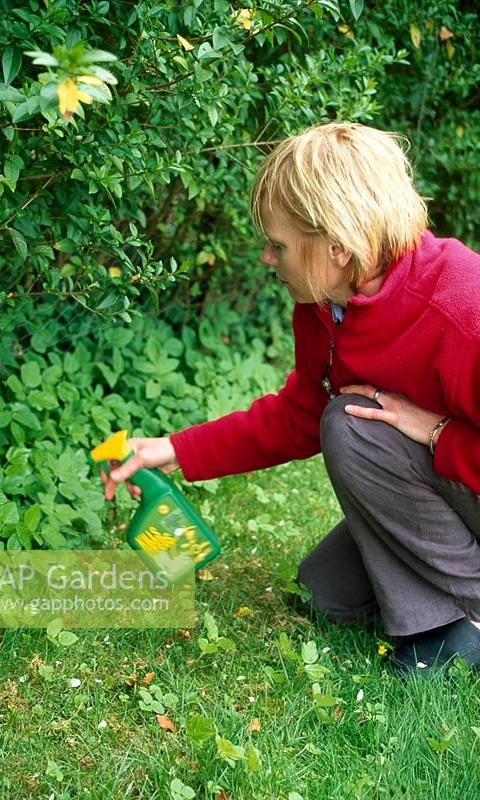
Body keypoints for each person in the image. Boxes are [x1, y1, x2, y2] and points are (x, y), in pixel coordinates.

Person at [102, 122, 480, 675]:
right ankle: (438, 605)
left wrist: (438, 432)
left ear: (337, 248)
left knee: (350, 427)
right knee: (325, 594)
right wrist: (175, 450)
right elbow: (300, 414)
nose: (266, 258)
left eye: (277, 245)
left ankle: (468, 616)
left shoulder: (462, 312)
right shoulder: (328, 300)